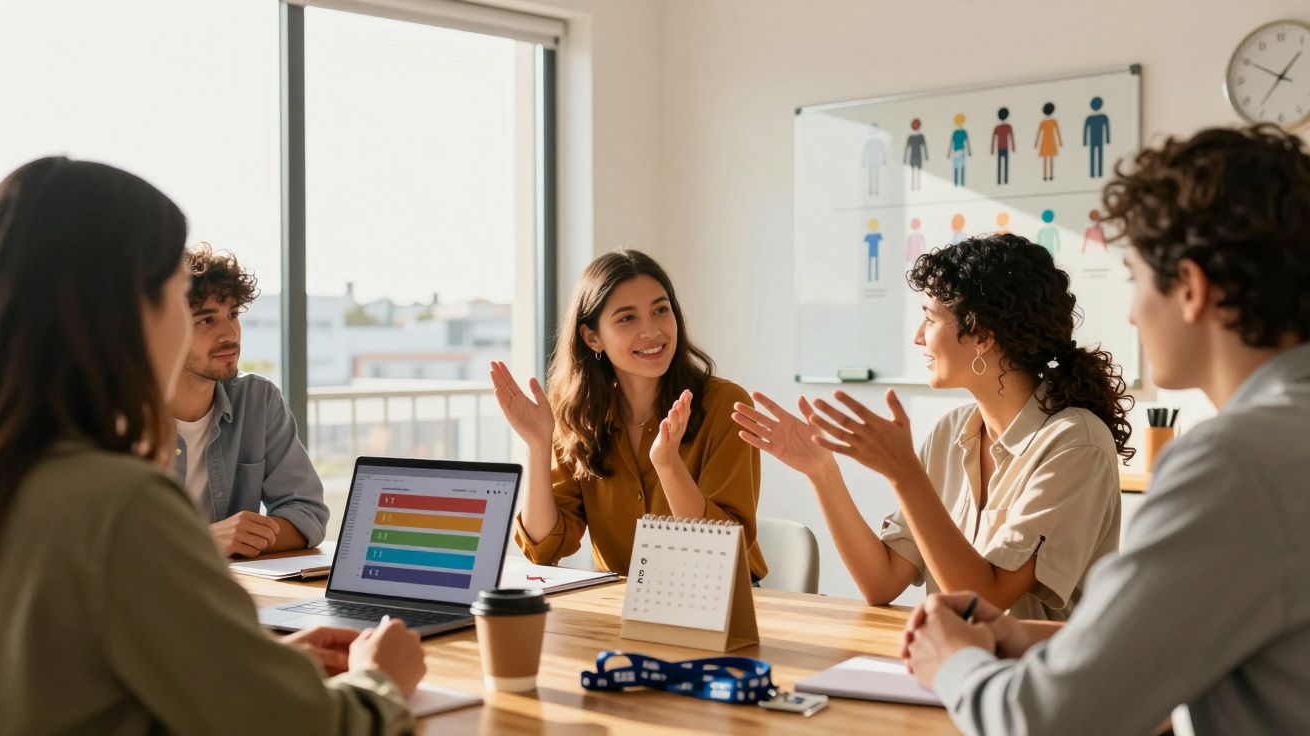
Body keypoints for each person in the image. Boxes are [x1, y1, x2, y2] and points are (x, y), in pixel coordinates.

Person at [903, 125, 1310, 735]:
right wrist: (1020, 634)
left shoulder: (1232, 464)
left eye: (1136, 278)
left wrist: (953, 662)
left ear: (1192, 289)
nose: (1130, 311)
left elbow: (1047, 723)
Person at [0, 157, 425, 734]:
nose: (222, 331)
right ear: (122, 312)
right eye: (181, 298)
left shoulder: (29, 474)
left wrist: (252, 667)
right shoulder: (121, 505)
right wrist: (380, 678)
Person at [733, 234, 1132, 619]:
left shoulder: (1076, 444)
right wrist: (823, 472)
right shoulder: (951, 432)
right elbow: (881, 582)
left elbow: (984, 604)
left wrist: (904, 474)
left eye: (929, 318)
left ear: (982, 337)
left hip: (1034, 680)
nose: (918, 337)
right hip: (953, 667)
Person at [490, 249, 767, 580]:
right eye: (627, 318)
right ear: (592, 337)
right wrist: (538, 445)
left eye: (660, 310)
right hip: (622, 608)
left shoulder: (726, 406)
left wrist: (668, 465)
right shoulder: (581, 418)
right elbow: (544, 548)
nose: (652, 331)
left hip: (722, 603)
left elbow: (723, 552)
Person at [171, 244, 328, 557]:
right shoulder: (117, 415)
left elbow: (307, 514)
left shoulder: (257, 400)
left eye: (232, 315)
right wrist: (204, 541)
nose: (230, 334)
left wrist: (242, 536)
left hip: (230, 588)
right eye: (206, 320)